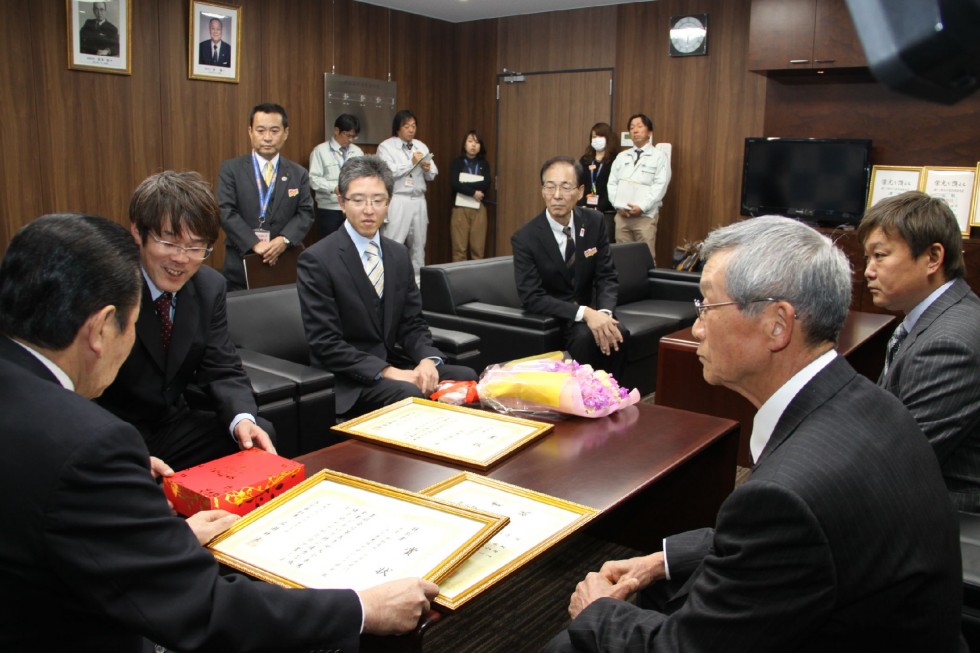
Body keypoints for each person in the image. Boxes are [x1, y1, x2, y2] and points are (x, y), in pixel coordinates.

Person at [0, 214, 439, 652]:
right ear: (100, 328)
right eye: (133, 325)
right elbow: (200, 609)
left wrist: (156, 539)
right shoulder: (87, 446)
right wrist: (362, 608)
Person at [544, 216, 962, 652]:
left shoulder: (787, 496)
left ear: (777, 324)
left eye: (708, 305)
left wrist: (595, 611)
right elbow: (794, 541)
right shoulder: (870, 403)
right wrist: (664, 559)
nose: (698, 326)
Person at [97, 171, 276, 472]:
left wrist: (242, 419)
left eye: (195, 247)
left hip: (171, 423)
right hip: (112, 430)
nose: (182, 258)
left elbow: (221, 367)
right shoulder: (106, 287)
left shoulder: (209, 286)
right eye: (168, 242)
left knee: (257, 438)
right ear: (138, 233)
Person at [297, 156, 477, 418]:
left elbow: (412, 323)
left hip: (396, 363)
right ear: (341, 202)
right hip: (350, 379)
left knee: (466, 378)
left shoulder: (397, 254)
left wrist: (427, 360)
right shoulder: (316, 259)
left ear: (389, 202)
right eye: (358, 200)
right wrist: (388, 373)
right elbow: (326, 343)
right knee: (408, 395)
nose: (369, 210)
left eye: (378, 200)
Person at [859, 191, 980, 512]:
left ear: (932, 258)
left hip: (946, 517)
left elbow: (899, 462)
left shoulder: (950, 344)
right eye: (867, 258)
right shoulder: (935, 315)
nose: (868, 270)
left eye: (880, 255)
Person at [511, 155, 626, 377]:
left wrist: (603, 313)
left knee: (618, 332)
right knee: (585, 338)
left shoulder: (594, 222)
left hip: (592, 310)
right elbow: (531, 296)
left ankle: (615, 398)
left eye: (565, 187)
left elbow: (607, 276)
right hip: (556, 317)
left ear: (580, 191)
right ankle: (582, 403)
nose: (557, 196)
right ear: (542, 191)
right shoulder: (525, 237)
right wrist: (585, 314)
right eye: (550, 187)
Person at [217, 102, 313, 291]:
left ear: (286, 133)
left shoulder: (298, 173)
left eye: (274, 131)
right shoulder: (231, 169)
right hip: (241, 262)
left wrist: (283, 240)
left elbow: (305, 213)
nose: (267, 138)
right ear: (250, 132)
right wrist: (254, 243)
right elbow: (224, 211)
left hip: (285, 261)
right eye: (260, 130)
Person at [377, 109, 438, 282]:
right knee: (392, 242)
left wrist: (427, 168)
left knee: (419, 245)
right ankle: (387, 280)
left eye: (413, 126)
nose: (411, 130)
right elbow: (387, 172)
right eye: (406, 126)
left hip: (419, 200)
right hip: (398, 199)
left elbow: (433, 173)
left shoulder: (421, 145)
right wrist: (410, 164)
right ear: (398, 128)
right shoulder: (386, 146)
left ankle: (417, 284)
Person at [606, 113, 671, 263]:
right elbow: (612, 183)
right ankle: (625, 286)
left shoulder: (659, 156)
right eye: (631, 127)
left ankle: (646, 287)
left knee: (645, 258)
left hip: (645, 217)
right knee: (622, 259)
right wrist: (618, 205)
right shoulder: (622, 157)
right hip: (623, 216)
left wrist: (641, 206)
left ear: (650, 132)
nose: (635, 130)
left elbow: (660, 186)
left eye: (639, 126)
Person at [309, 113, 364, 240]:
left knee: (352, 243)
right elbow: (313, 179)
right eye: (348, 135)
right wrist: (334, 188)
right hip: (329, 208)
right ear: (336, 130)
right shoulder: (320, 151)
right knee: (329, 244)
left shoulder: (357, 151)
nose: (350, 140)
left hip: (352, 207)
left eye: (354, 136)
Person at [449, 129, 491, 261]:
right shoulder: (457, 162)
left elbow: (486, 183)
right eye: (470, 141)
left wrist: (464, 184)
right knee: (459, 250)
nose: (473, 145)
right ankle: (458, 281)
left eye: (477, 142)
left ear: (481, 146)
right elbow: (455, 183)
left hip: (479, 208)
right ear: (464, 144)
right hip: (459, 209)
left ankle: (476, 281)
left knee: (478, 250)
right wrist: (473, 192)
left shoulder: (484, 164)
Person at [577, 122, 621, 242]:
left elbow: (615, 187)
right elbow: (579, 184)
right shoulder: (585, 160)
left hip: (606, 211)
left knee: (603, 245)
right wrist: (582, 204)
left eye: (599, 136)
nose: (596, 139)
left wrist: (599, 207)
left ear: (608, 138)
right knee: (585, 245)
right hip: (585, 210)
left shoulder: (615, 160)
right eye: (593, 136)